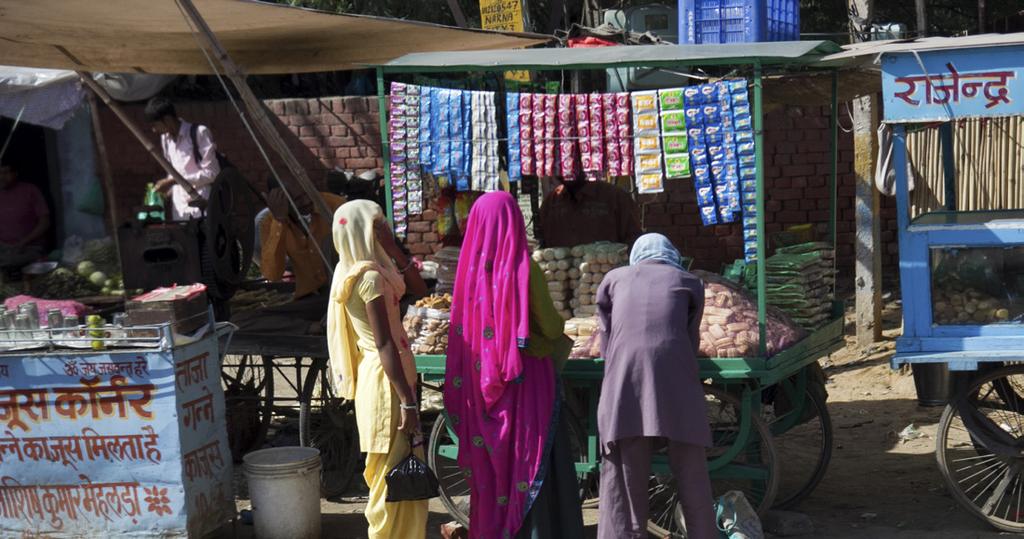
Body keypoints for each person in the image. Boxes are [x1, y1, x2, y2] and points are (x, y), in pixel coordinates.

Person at [445, 191, 584, 539]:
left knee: (495, 470)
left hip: (481, 386)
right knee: (529, 461)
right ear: (514, 222)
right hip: (527, 386)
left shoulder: (469, 272)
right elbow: (551, 326)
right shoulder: (523, 268)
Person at [595, 233, 715, 539]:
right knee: (692, 470)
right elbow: (691, 339)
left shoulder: (613, 279)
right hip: (676, 381)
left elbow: (606, 339)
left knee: (626, 475)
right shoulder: (689, 282)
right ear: (670, 255)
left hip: (627, 383)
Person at [326, 200, 428, 539]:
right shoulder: (368, 278)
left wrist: (394, 248)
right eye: (377, 224)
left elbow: (419, 289)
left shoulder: (358, 267)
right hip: (387, 383)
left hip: (391, 378)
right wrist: (409, 403)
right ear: (362, 231)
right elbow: (384, 344)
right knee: (389, 479)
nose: (383, 229)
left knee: (402, 473)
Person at [258, 185, 345, 299]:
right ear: (278, 200)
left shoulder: (335, 205)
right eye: (297, 199)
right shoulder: (269, 222)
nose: (307, 201)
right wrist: (280, 222)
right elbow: (273, 275)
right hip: (309, 297)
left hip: (343, 291)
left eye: (307, 193)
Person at [145, 97, 220, 221]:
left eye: (155, 125)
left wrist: (174, 181)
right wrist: (164, 191)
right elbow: (172, 174)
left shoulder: (199, 133)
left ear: (168, 120)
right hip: (180, 210)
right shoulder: (165, 140)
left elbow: (212, 173)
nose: (154, 130)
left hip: (203, 206)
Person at [536, 172, 642, 248]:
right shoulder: (551, 202)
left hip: (607, 275)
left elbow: (634, 240)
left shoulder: (615, 197)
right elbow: (542, 242)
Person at [0, 164, 50, 268]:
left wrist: (24, 241)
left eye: (6, 173)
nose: (2, 177)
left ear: (15, 174)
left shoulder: (30, 190)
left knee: (10, 262)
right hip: (4, 247)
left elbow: (45, 223)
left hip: (30, 247)